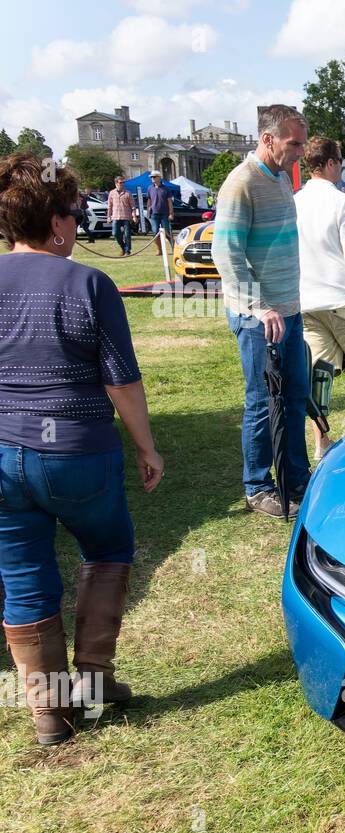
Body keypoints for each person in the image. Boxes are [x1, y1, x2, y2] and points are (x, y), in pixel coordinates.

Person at [0, 154, 164, 746]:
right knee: (109, 548)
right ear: (57, 221)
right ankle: (94, 683)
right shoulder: (88, 283)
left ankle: (49, 712)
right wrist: (147, 446)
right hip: (77, 452)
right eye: (73, 213)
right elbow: (120, 378)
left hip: (3, 454)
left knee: (22, 579)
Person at [211, 103, 310, 519]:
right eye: (294, 143)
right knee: (261, 400)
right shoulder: (241, 183)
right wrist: (258, 306)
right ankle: (257, 486)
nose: (302, 151)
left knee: (295, 395)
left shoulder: (282, 177)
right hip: (259, 318)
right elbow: (226, 252)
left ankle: (296, 476)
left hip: (288, 310)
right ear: (267, 139)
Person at [294, 136, 345, 459]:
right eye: (340, 161)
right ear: (330, 163)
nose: (342, 167)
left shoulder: (295, 201)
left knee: (320, 369)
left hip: (305, 298)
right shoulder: (342, 202)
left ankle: (321, 440)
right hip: (341, 296)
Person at [106, 175, 137, 256]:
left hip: (126, 216)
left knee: (127, 235)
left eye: (123, 182)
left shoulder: (128, 193)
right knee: (115, 233)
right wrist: (108, 217)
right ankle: (123, 247)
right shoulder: (112, 193)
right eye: (120, 182)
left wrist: (134, 216)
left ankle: (127, 251)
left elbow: (133, 206)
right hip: (115, 216)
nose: (122, 184)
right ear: (116, 183)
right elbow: (109, 206)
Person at [146, 171, 173, 256]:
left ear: (159, 177)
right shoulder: (150, 188)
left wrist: (171, 213)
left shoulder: (166, 189)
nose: (152, 179)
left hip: (164, 214)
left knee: (167, 232)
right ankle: (159, 250)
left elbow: (169, 202)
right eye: (151, 177)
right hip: (154, 214)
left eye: (154, 177)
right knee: (155, 232)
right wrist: (148, 210)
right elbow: (149, 200)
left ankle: (175, 248)